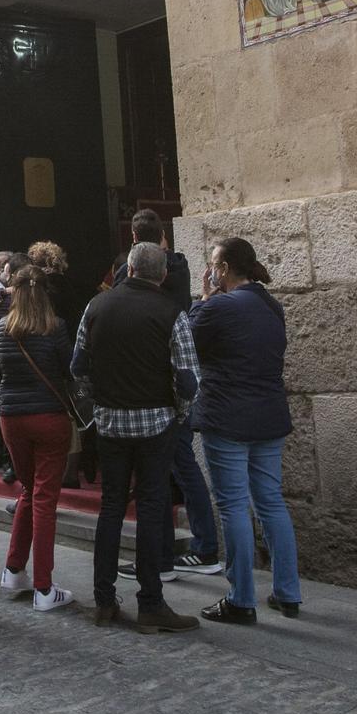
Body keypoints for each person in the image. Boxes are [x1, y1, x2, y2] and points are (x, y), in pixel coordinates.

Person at [73, 242, 201, 635]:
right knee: (150, 507)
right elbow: (188, 379)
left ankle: (104, 600)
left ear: (127, 269)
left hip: (111, 423)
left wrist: (101, 400)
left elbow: (78, 367)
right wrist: (176, 411)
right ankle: (151, 602)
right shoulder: (170, 312)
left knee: (111, 508)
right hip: (155, 424)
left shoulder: (96, 307)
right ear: (161, 275)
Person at [191, 237, 302, 626]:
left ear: (222, 269)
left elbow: (190, 339)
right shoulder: (271, 304)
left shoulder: (220, 306)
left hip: (228, 417)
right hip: (268, 415)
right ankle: (287, 591)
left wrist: (203, 298)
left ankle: (241, 598)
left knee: (234, 505)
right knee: (270, 500)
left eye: (212, 265)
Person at [108, 211, 221, 582]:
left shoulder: (132, 275)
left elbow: (125, 288)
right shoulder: (181, 267)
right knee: (177, 468)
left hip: (151, 391)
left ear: (135, 237)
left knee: (169, 471)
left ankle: (186, 553)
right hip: (175, 387)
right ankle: (178, 552)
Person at [0, 265, 76, 613]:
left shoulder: (1, 328)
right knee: (44, 499)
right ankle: (43, 586)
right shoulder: (55, 328)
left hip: (11, 417)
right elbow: (69, 369)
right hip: (48, 416)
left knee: (29, 490)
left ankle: (14, 569)